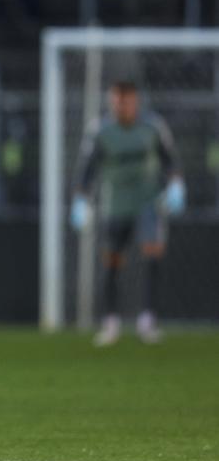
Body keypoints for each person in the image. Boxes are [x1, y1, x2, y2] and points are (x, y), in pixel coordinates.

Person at [71, 81, 184, 347]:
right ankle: (110, 323)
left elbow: (170, 160)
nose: (122, 106)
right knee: (111, 261)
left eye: (127, 100)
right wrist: (81, 200)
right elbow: (86, 170)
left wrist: (177, 184)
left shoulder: (153, 126)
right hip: (114, 204)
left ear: (136, 101)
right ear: (111, 102)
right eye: (117, 101)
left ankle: (148, 320)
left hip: (148, 203)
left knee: (152, 253)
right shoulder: (100, 131)